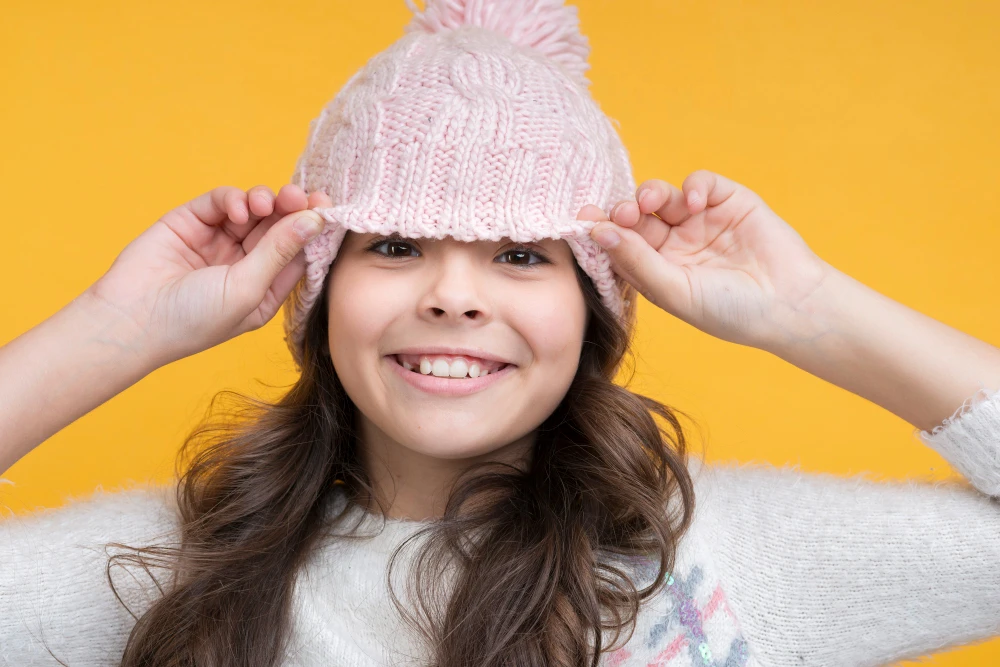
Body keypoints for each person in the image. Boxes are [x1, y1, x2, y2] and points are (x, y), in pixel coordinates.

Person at [3, 0, 1000, 665]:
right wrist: (113, 331)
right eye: (393, 244)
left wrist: (811, 311)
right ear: (315, 287)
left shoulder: (715, 560)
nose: (453, 295)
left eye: (521, 254)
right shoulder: (178, 569)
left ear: (593, 307)